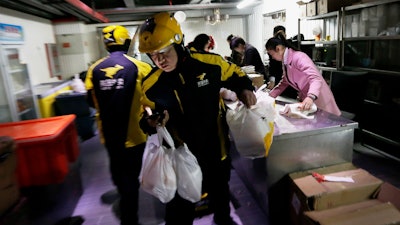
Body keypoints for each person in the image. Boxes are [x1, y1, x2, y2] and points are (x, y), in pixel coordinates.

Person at [137, 12, 257, 225]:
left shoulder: (209, 64)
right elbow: (143, 118)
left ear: (178, 43)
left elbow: (237, 74)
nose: (159, 60)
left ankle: (223, 219)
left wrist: (245, 89)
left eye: (164, 52)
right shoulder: (150, 85)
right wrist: (151, 122)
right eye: (153, 55)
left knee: (220, 195)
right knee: (180, 209)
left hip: (215, 150)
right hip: (181, 158)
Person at [84, 25, 153, 225]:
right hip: (135, 134)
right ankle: (130, 217)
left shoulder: (94, 69)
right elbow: (151, 97)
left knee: (118, 170)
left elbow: (90, 100)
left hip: (108, 134)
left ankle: (123, 193)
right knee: (131, 176)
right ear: (127, 42)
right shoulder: (141, 67)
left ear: (106, 45)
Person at [265, 32, 341, 116]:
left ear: (278, 48)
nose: (272, 57)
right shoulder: (286, 61)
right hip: (308, 101)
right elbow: (285, 81)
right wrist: (269, 97)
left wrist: (310, 97)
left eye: (272, 54)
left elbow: (315, 78)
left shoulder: (299, 57)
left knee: (327, 125)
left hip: (319, 98)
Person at [266, 25, 298, 99]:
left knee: (280, 99)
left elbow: (272, 66)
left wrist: (272, 80)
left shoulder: (273, 47)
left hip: (282, 79)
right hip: (290, 80)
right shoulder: (290, 45)